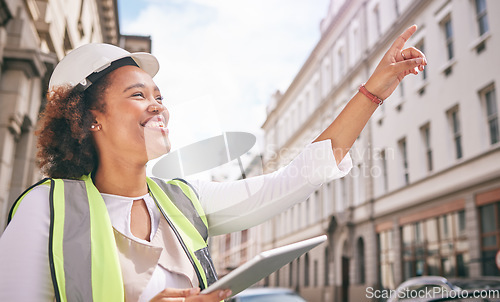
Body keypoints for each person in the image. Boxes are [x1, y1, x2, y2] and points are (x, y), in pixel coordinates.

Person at [0, 25, 426, 302]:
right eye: (137, 95)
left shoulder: (184, 201)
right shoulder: (46, 211)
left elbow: (295, 178)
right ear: (89, 116)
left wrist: (375, 90)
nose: (158, 108)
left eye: (159, 97)